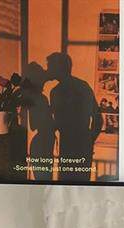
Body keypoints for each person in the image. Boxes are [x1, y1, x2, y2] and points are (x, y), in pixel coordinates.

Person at [46, 51, 103, 182]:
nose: (47, 70)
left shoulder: (55, 92)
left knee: (67, 185)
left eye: (50, 66)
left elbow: (57, 123)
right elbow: (98, 119)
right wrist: (89, 140)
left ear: (58, 68)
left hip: (70, 146)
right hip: (80, 146)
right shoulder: (82, 87)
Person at [21, 62, 55, 181]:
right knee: (44, 181)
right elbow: (34, 125)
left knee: (43, 182)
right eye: (41, 76)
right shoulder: (40, 99)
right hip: (42, 145)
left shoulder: (36, 98)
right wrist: (49, 111)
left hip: (42, 144)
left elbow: (33, 125)